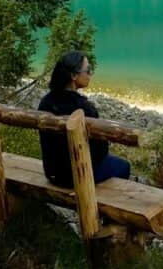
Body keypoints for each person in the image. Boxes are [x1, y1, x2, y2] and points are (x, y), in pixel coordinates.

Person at [38, 51, 131, 187]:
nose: (90, 74)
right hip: (77, 176)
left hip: (53, 173)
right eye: (87, 70)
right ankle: (97, 203)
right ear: (74, 75)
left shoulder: (46, 102)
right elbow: (100, 151)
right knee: (123, 166)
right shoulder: (84, 108)